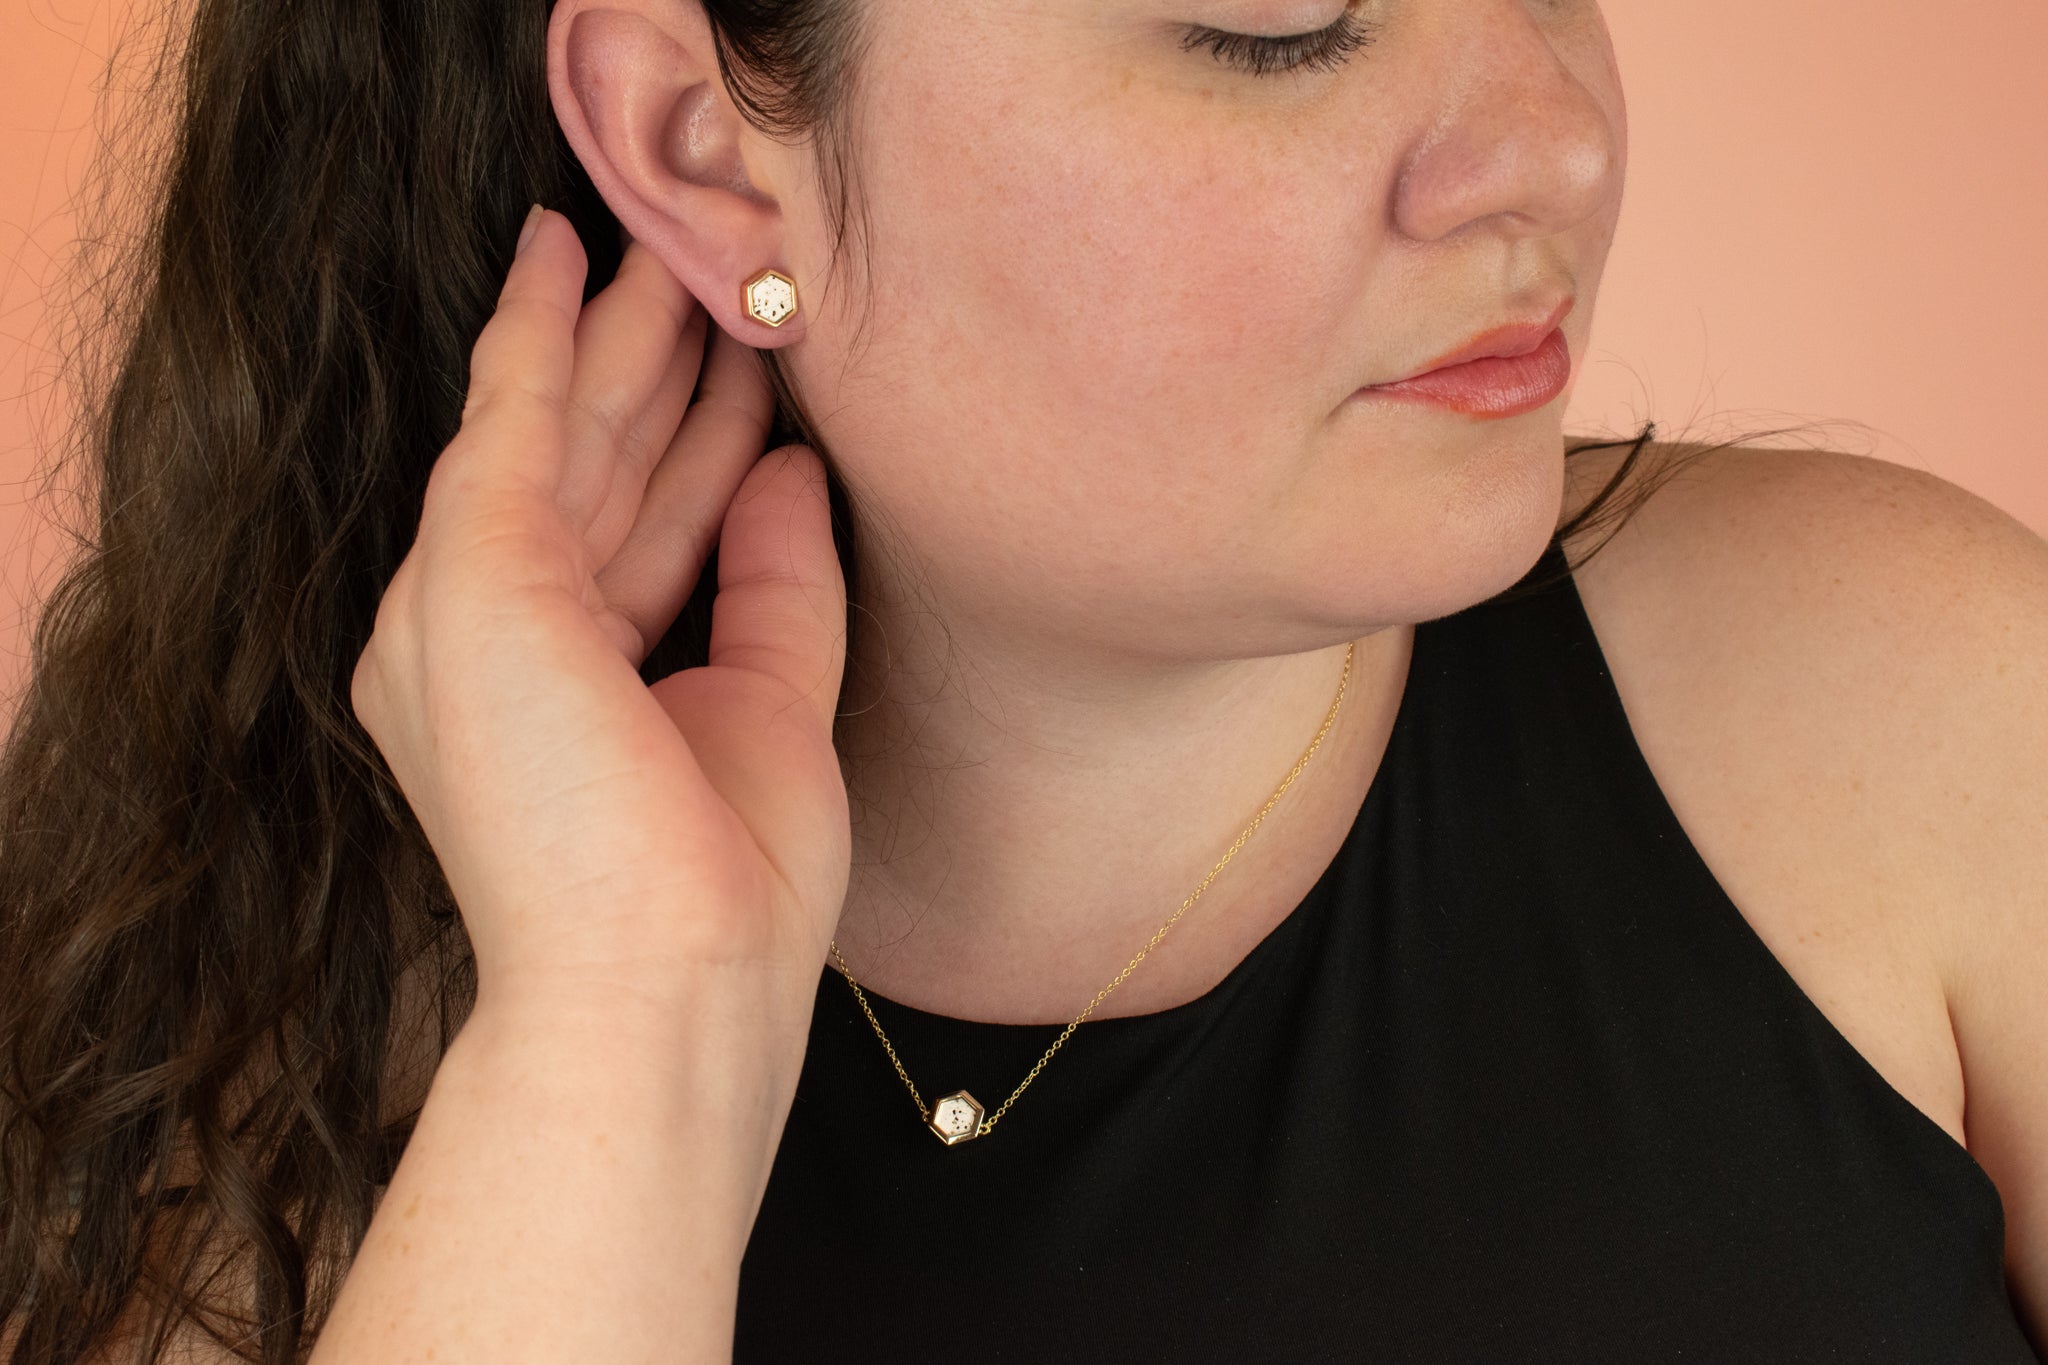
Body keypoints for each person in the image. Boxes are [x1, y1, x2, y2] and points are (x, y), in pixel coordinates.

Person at [0, 0, 2041, 1360]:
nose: (1558, 143)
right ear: (708, 148)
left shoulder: (1917, 718)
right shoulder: (241, 1094)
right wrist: (616, 1028)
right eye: (1275, 14)